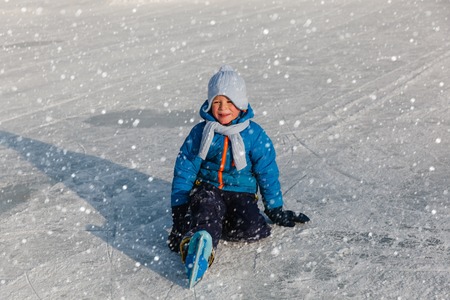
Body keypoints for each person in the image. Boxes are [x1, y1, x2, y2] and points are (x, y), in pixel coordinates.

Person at [167, 65, 310, 276]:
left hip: (240, 193)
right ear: (209, 105)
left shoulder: (254, 134)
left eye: (229, 102)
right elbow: (185, 169)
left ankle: (213, 222)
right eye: (217, 102)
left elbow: (267, 172)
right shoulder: (202, 133)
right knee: (206, 208)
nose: (223, 108)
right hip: (208, 188)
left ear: (241, 104)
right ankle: (198, 245)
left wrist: (274, 208)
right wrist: (180, 213)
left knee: (253, 229)